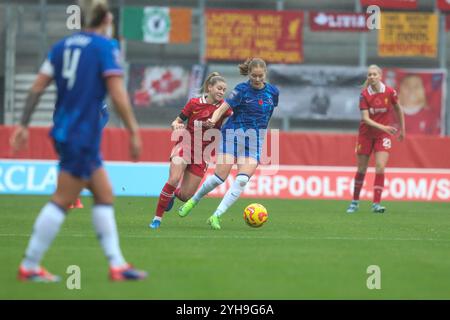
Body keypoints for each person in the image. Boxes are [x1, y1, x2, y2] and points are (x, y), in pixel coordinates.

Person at [10, 0, 147, 282]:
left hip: (63, 128)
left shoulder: (61, 46)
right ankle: (30, 265)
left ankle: (117, 265)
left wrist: (23, 124)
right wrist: (133, 130)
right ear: (107, 19)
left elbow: (37, 87)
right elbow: (118, 93)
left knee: (104, 194)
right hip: (82, 133)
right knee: (62, 199)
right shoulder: (104, 47)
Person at [178, 58, 279, 230]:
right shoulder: (241, 90)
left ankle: (216, 216)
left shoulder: (273, 93)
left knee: (241, 180)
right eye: (253, 76)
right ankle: (193, 201)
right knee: (219, 177)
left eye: (260, 76)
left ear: (265, 74)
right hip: (233, 135)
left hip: (254, 141)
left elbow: (266, 114)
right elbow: (223, 108)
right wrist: (213, 119)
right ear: (249, 74)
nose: (256, 79)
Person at [149, 72, 231, 229]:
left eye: (224, 90)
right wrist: (176, 125)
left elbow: (234, 118)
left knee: (186, 195)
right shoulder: (194, 103)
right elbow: (177, 120)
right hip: (185, 145)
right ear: (209, 87)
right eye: (219, 88)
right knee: (173, 179)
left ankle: (172, 195)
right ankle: (157, 219)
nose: (221, 92)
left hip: (203, 155)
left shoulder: (224, 109)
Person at [346, 64, 405, 214]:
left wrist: (402, 129)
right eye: (369, 75)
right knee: (362, 169)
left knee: (380, 166)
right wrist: (385, 127)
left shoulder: (390, 92)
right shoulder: (364, 95)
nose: (371, 77)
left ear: (380, 76)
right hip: (366, 134)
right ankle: (354, 202)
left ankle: (376, 204)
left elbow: (398, 109)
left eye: (374, 74)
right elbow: (365, 119)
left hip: (382, 136)